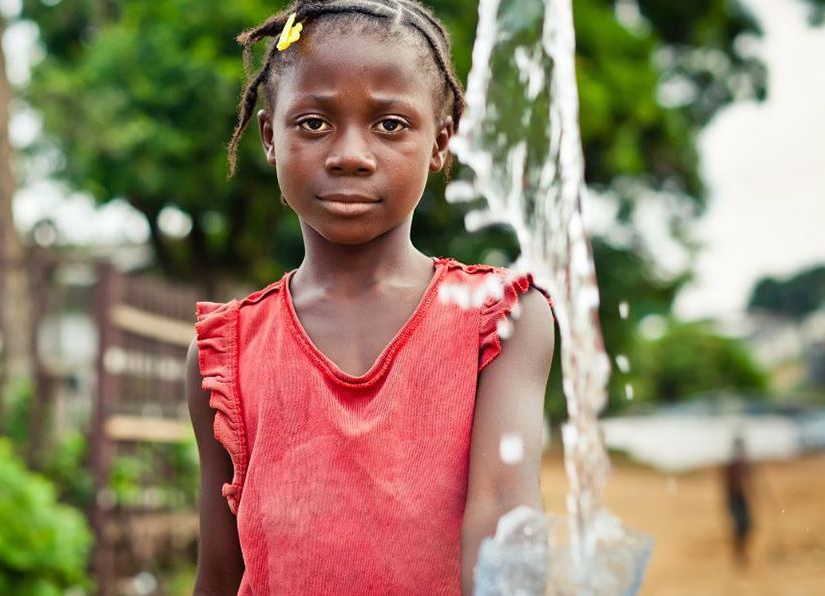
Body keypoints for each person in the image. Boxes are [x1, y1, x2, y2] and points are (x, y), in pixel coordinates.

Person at [186, 2, 555, 594]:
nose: (350, 155)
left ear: (440, 143)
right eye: (313, 123)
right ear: (268, 139)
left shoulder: (503, 318)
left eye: (389, 125)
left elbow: (502, 521)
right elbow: (221, 571)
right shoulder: (224, 355)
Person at [722, 434, 754, 567]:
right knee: (739, 527)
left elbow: (750, 482)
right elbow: (728, 485)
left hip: (743, 499)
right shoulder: (731, 465)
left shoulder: (744, 463)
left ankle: (742, 553)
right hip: (735, 499)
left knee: (747, 526)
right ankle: (738, 554)